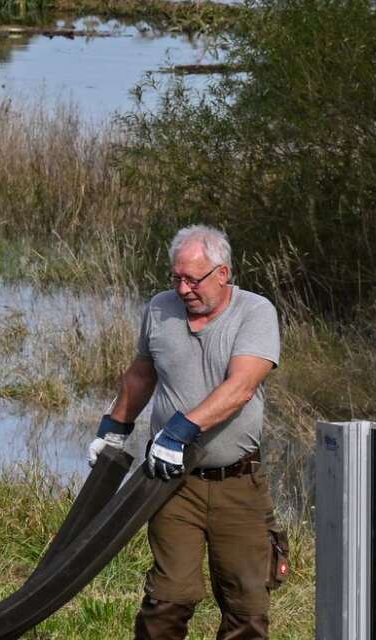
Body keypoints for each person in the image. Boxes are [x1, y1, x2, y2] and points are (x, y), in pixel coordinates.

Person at [90, 225, 282, 640]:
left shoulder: (256, 312)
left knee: (246, 608)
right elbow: (142, 374)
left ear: (223, 273)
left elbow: (241, 388)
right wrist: (113, 429)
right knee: (168, 600)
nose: (183, 288)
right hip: (171, 484)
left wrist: (178, 432)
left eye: (193, 279)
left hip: (238, 484)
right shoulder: (159, 309)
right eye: (176, 277)